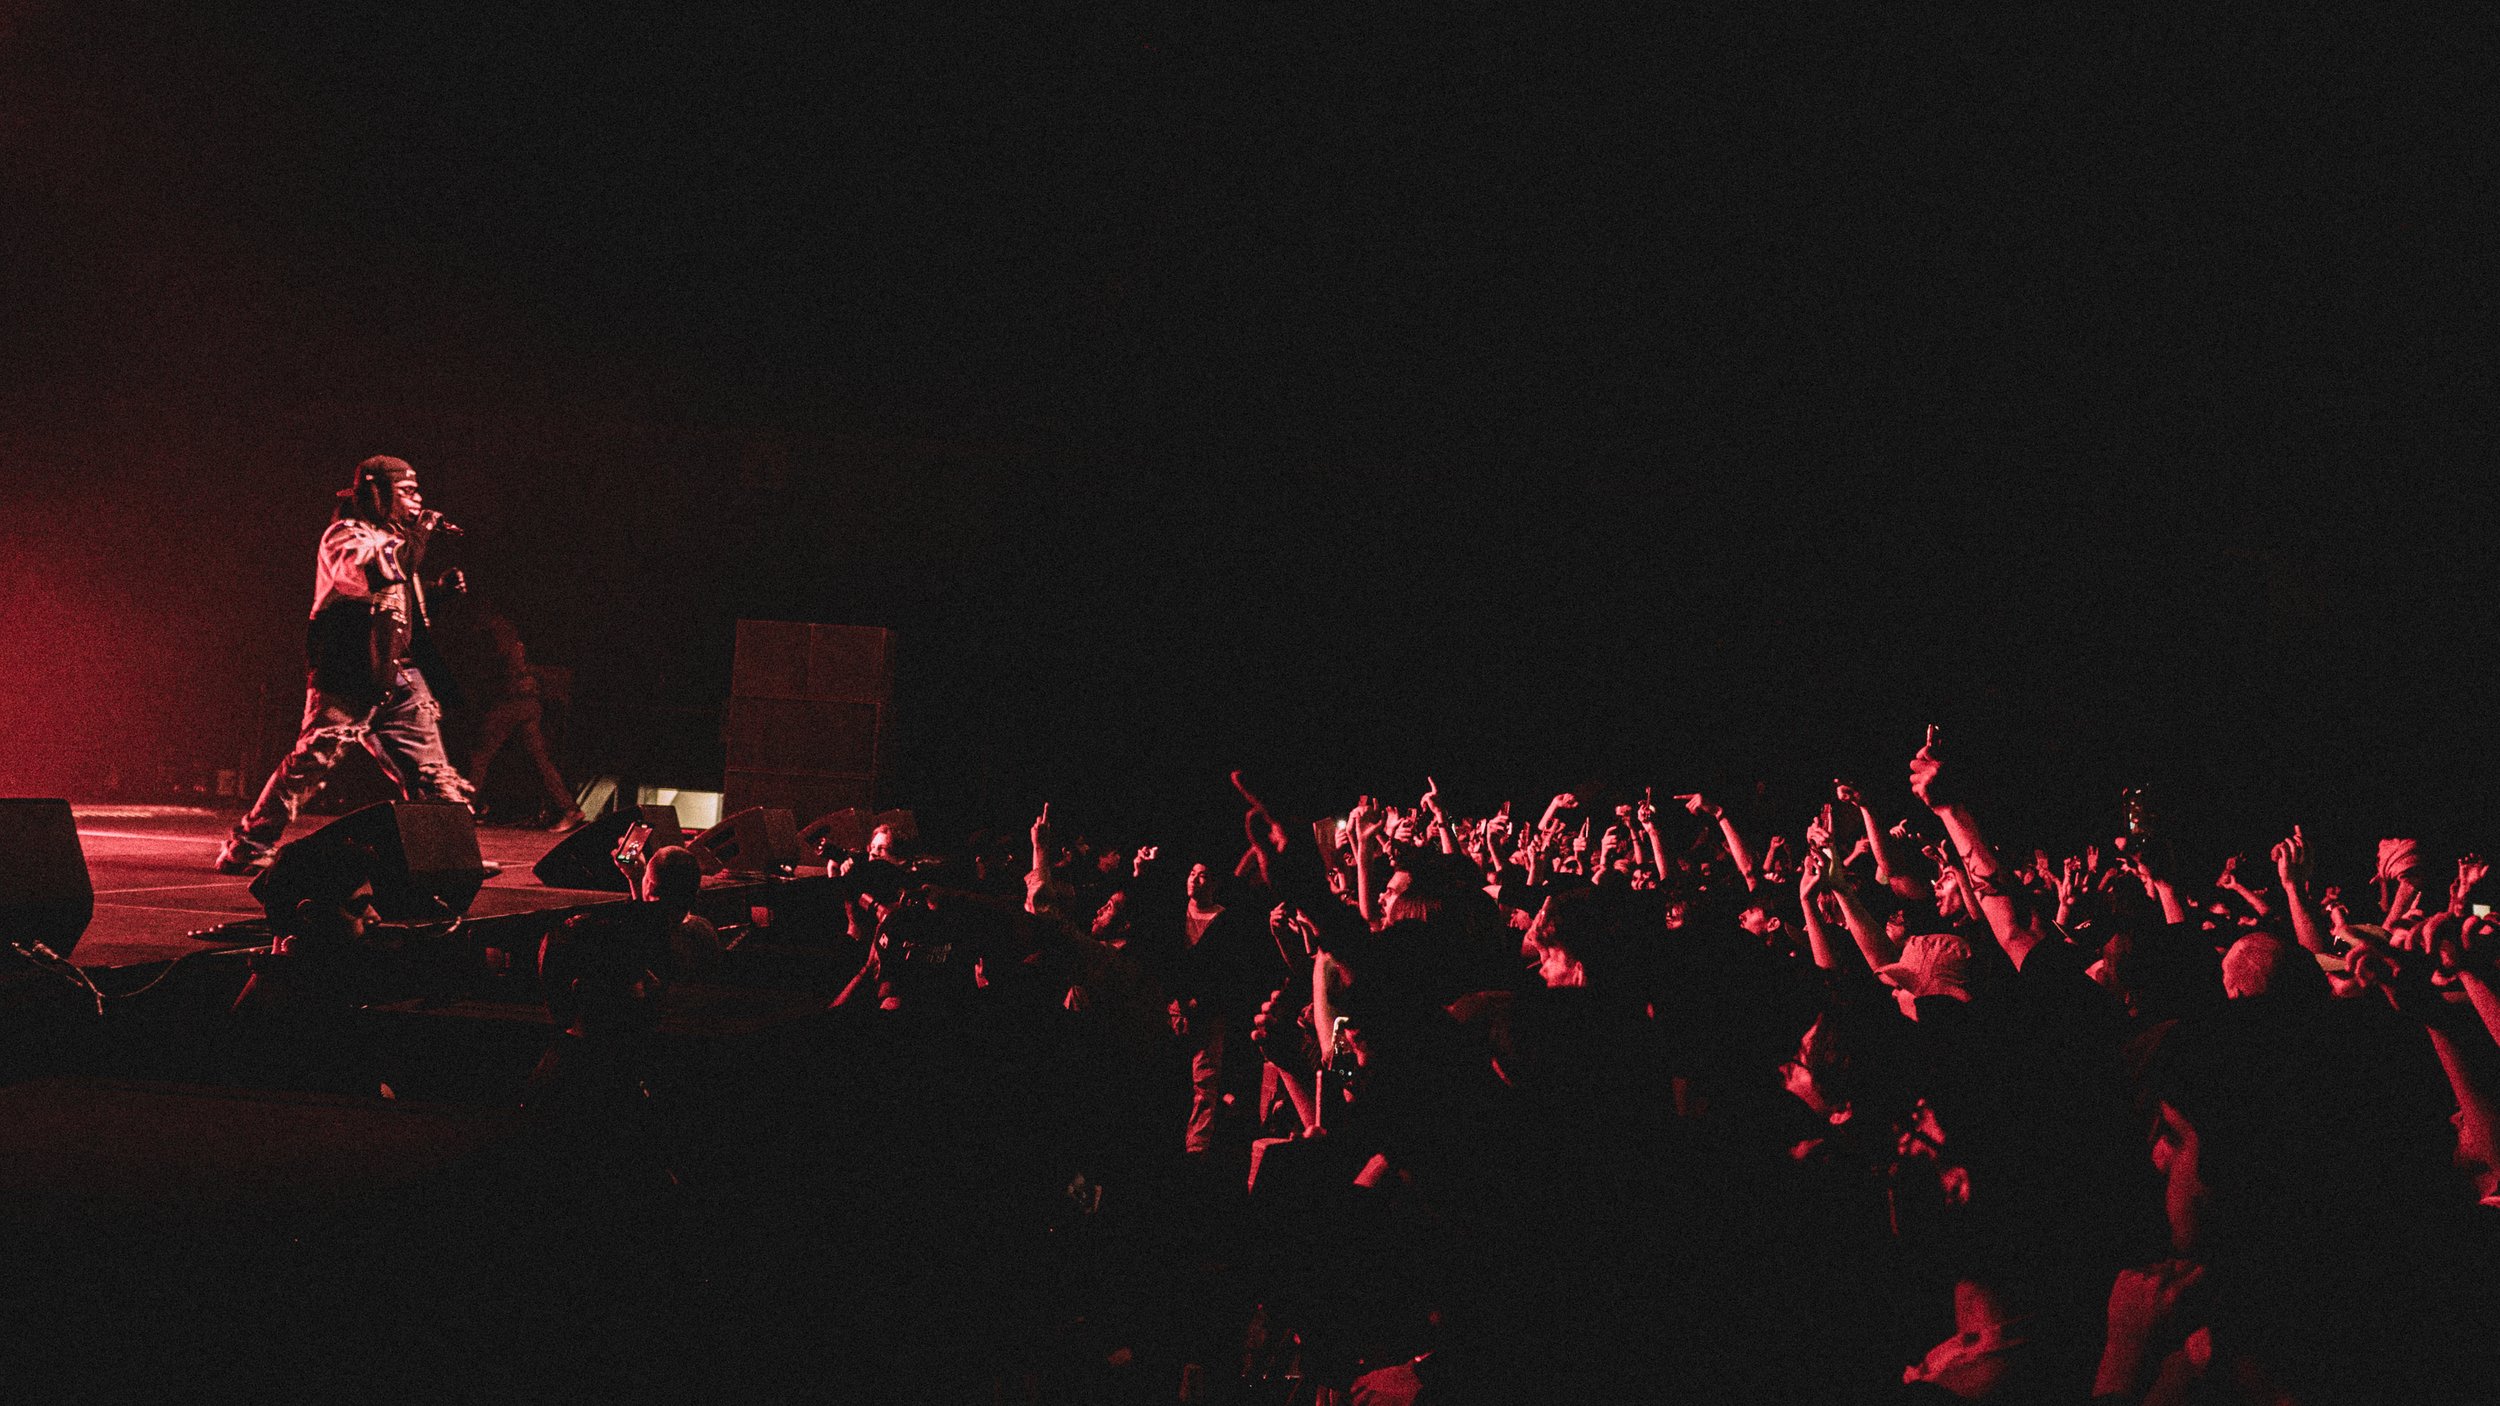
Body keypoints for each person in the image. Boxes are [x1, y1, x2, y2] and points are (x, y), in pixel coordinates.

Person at [217, 455, 478, 874]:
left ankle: (446, 859)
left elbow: (398, 601)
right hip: (349, 672)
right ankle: (248, 845)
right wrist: (423, 533)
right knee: (312, 762)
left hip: (399, 672)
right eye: (408, 492)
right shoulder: (345, 536)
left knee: (434, 775)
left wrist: (437, 591)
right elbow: (374, 575)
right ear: (380, 493)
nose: (418, 500)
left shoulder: (394, 538)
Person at [466, 611, 584, 829]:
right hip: (528, 701)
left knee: (480, 755)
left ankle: (463, 809)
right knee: (541, 761)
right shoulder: (507, 630)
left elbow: (502, 666)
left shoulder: (493, 630)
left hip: (512, 701)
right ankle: (570, 809)